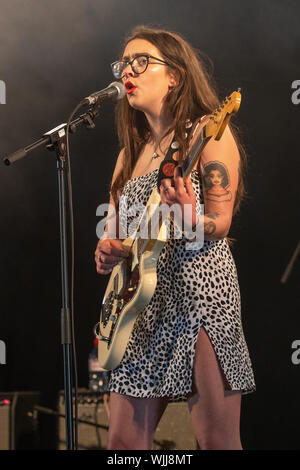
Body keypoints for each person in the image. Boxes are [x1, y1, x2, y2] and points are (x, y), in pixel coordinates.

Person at [94, 25, 255, 450]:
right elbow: (116, 235)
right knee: (124, 446)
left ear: (175, 76)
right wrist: (108, 251)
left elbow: (218, 224)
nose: (128, 70)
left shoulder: (208, 133)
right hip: (137, 310)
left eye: (141, 61)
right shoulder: (129, 155)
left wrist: (190, 217)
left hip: (200, 295)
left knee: (216, 441)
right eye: (123, 63)